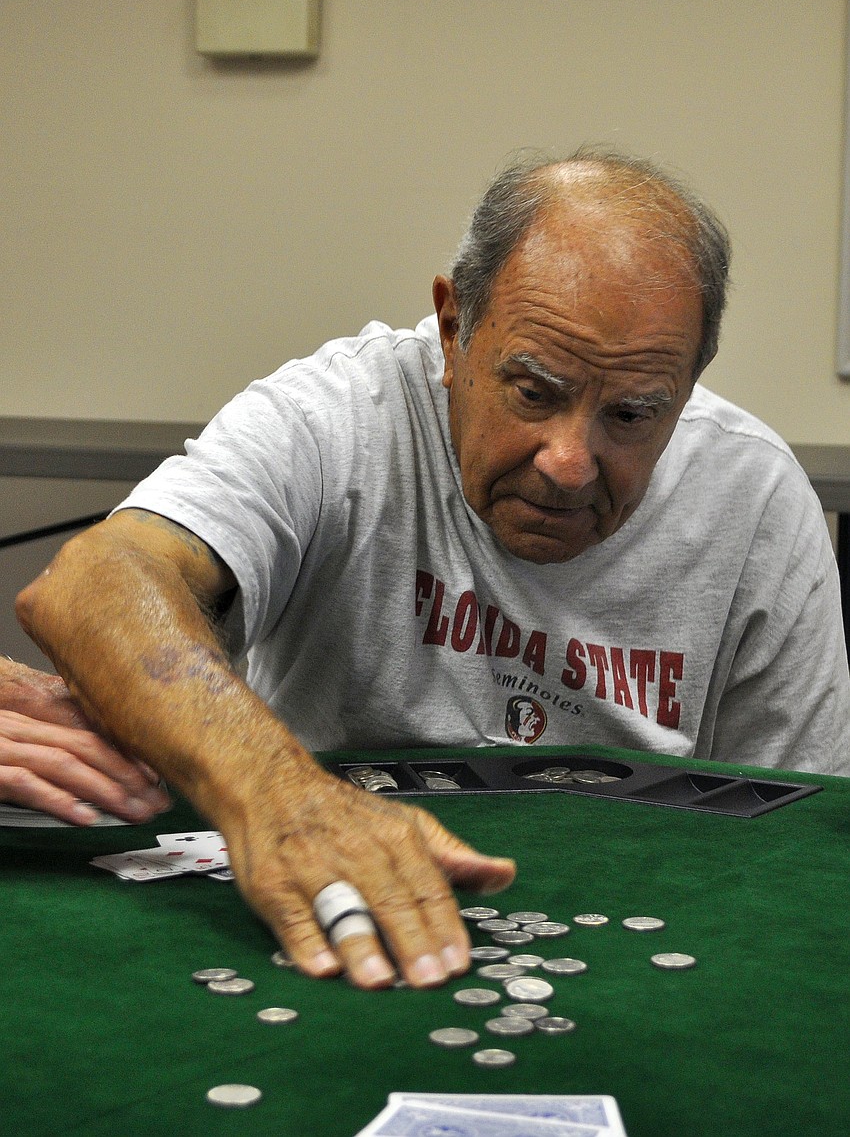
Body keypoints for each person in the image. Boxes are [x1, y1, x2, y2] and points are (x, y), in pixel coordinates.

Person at [9, 149, 850, 992]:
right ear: (453, 329)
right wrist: (279, 796)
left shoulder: (757, 501)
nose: (569, 462)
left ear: (690, 385)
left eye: (632, 414)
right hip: (328, 914)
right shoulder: (336, 416)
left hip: (642, 945)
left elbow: (803, 836)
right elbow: (94, 584)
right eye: (533, 390)